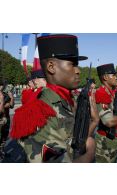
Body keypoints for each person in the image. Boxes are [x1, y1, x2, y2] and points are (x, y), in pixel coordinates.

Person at [10, 34, 98, 163]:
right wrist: (90, 152)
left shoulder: (65, 100)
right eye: (72, 64)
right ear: (51, 67)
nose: (78, 70)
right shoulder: (40, 112)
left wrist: (94, 121)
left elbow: (72, 142)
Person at [94, 63, 117, 162]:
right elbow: (109, 122)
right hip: (105, 140)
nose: (116, 78)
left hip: (112, 138)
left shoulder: (110, 92)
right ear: (105, 77)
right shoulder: (102, 93)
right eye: (113, 75)